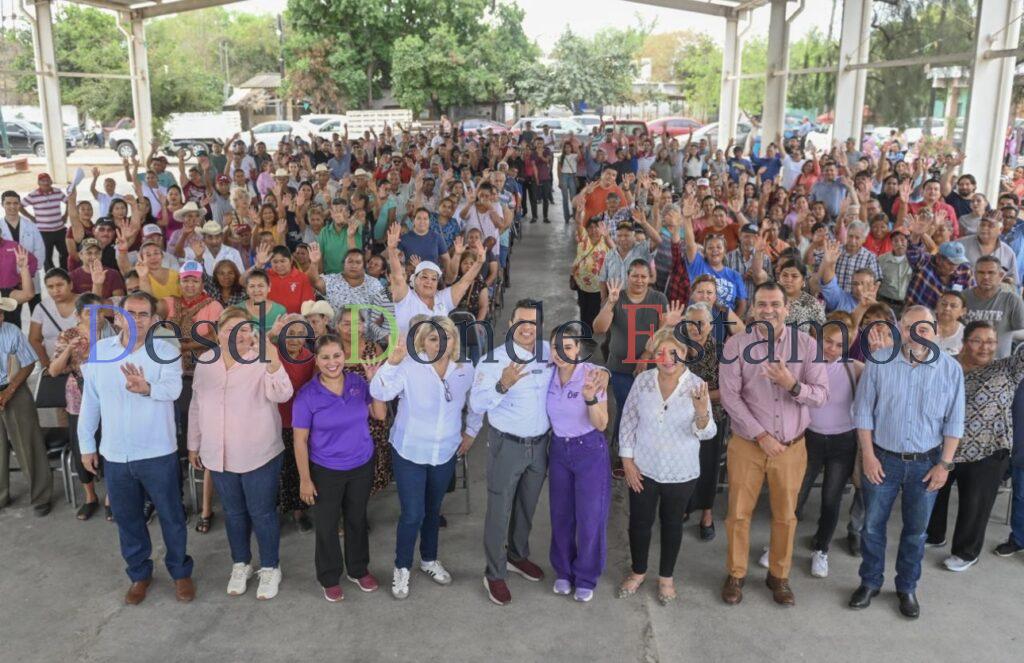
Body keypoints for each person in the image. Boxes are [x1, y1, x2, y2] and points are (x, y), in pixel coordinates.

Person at [77, 292, 193, 605]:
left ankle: (180, 572)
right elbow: (91, 402)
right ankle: (139, 574)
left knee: (171, 516)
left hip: (157, 452)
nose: (136, 320)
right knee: (128, 520)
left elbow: (174, 389)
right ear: (118, 317)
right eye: (130, 313)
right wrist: (87, 445)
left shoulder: (166, 351)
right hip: (115, 454)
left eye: (144, 315)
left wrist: (147, 389)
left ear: (154, 321)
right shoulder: (101, 351)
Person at [849, 306, 964, 619]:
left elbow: (955, 422)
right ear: (900, 328)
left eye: (923, 328)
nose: (917, 334)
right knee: (872, 527)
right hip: (883, 459)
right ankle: (870, 581)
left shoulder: (950, 370)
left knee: (916, 531)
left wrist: (945, 465)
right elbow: (862, 413)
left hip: (928, 464)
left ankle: (907, 587)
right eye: (910, 327)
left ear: (935, 331)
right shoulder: (879, 362)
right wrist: (868, 456)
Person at [719, 282, 829, 607]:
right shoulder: (735, 346)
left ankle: (778, 576)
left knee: (785, 516)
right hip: (748, 445)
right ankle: (736, 574)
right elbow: (729, 397)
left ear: (787, 309)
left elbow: (822, 395)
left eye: (775, 304)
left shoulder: (807, 345)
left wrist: (792, 384)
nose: (769, 310)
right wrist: (761, 435)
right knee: (738, 514)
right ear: (753, 309)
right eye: (762, 304)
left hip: (791, 448)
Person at [369, 316, 482, 600]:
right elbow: (379, 391)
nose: (441, 344)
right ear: (423, 342)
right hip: (410, 451)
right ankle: (402, 567)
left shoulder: (465, 368)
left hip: (445, 452)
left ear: (454, 340)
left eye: (447, 337)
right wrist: (392, 362)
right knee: (412, 514)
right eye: (434, 339)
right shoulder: (408, 366)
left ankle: (429, 560)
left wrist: (470, 432)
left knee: (433, 510)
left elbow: (476, 403)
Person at [188, 306, 293, 600]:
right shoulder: (206, 362)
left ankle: (271, 567)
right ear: (218, 333)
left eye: (246, 329)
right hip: (218, 454)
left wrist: (271, 356)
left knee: (262, 513)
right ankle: (241, 563)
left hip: (258, 453)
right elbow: (197, 404)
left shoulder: (262, 358)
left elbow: (282, 394)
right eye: (233, 329)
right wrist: (193, 443)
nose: (241, 335)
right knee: (233, 513)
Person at [618, 328, 715, 605]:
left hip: (680, 471)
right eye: (661, 352)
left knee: (672, 524)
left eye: (674, 353)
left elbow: (706, 433)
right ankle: (638, 572)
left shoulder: (697, 386)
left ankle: (666, 578)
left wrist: (701, 412)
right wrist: (627, 460)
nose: (667, 358)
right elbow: (628, 421)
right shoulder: (643, 382)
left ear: (685, 355)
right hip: (643, 468)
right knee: (639, 523)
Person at [470, 300, 554, 606]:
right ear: (510, 323)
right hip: (507, 445)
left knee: (527, 506)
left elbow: (577, 362)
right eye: (522, 321)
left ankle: (517, 556)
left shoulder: (548, 352)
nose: (528, 327)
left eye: (533, 322)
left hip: (540, 446)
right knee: (499, 509)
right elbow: (477, 406)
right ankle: (494, 573)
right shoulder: (492, 361)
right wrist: (501, 386)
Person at [291, 334, 387, 602]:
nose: (332, 362)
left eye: (336, 356)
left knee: (357, 519)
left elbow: (379, 414)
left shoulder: (358, 382)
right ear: (317, 360)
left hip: (360, 464)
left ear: (344, 357)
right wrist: (305, 480)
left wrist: (374, 382)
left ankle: (358, 569)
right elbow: (299, 441)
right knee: (327, 524)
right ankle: (330, 576)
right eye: (325, 357)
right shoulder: (307, 396)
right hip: (326, 469)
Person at [926, 321, 1023, 572]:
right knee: (934, 496)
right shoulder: (946, 365)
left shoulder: (1006, 369)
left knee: (975, 505)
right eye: (977, 340)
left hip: (987, 453)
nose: (985, 347)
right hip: (944, 447)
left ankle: (966, 552)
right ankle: (934, 535)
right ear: (964, 341)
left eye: (990, 341)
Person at [794, 314, 863, 579]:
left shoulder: (854, 368)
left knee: (831, 499)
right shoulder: (805, 366)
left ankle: (821, 549)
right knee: (795, 495)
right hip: (810, 438)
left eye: (838, 344)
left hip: (842, 442)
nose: (832, 349)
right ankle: (781, 543)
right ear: (817, 340)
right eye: (827, 342)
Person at [545, 327, 611, 602]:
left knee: (590, 517)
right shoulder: (545, 374)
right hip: (559, 449)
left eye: (568, 347)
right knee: (561, 514)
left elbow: (601, 423)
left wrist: (590, 398)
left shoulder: (591, 375)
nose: (562, 353)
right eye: (556, 347)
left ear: (579, 350)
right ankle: (563, 571)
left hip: (589, 450)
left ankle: (585, 576)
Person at [0, 296, 51, 516]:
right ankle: (2, 495)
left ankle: (41, 496)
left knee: (27, 442)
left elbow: (29, 362)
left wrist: (9, 391)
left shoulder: (11, 331)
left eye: (1, 313)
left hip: (15, 386)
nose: (1, 317)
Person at [682, 302, 728, 541]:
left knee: (708, 467)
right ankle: (685, 505)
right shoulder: (678, 350)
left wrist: (700, 399)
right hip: (680, 419)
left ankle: (707, 513)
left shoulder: (722, 351)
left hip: (713, 417)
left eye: (701, 323)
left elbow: (727, 391)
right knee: (684, 464)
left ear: (710, 326)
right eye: (691, 323)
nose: (696, 328)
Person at [384, 223, 481, 336]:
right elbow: (397, 277)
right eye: (424, 277)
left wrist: (479, 262)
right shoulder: (405, 297)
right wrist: (392, 250)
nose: (429, 281)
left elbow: (465, 281)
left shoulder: (442, 299)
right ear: (414, 281)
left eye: (434, 279)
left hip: (440, 352)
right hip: (407, 353)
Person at [962, 255, 1024, 359]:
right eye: (981, 272)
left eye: (991, 273)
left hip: (998, 366)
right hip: (967, 364)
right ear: (975, 274)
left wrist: (1008, 336)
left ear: (1000, 275)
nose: (986, 277)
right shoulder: (962, 298)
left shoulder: (1012, 300)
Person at [936, 291, 966, 355]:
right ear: (937, 306)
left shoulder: (966, 334)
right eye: (944, 304)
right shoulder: (924, 328)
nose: (947, 308)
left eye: (953, 306)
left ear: (963, 311)